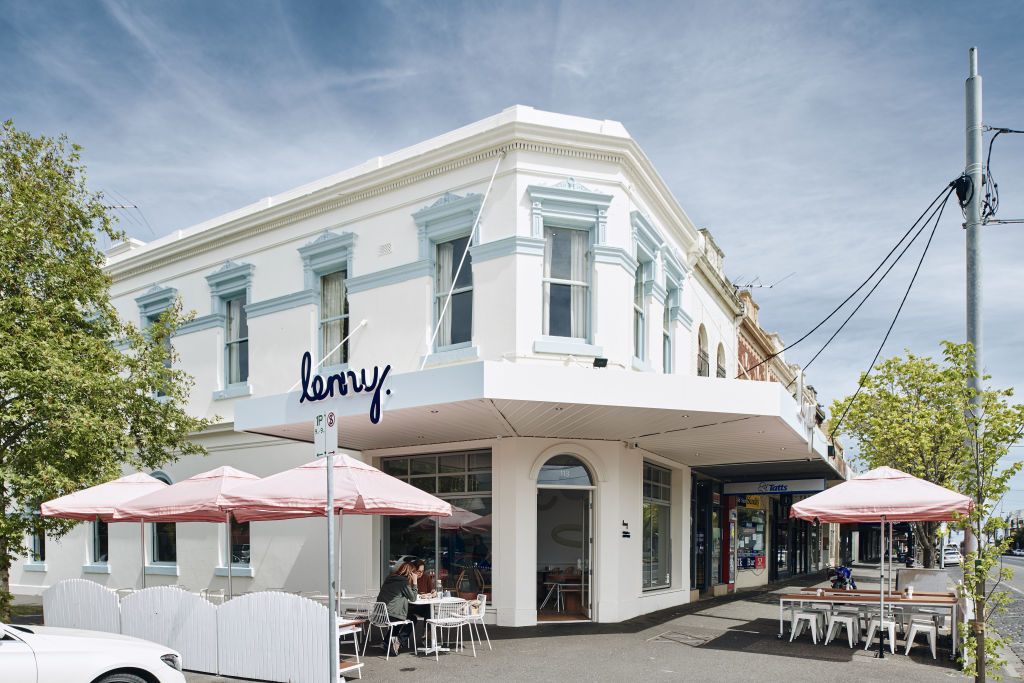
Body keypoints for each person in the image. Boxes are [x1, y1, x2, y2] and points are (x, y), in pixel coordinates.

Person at [376, 561, 418, 654]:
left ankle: (386, 643)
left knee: (399, 618)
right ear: (410, 573)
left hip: (380, 613)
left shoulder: (389, 578)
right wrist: (415, 582)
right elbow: (413, 598)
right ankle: (398, 641)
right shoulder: (404, 582)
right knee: (413, 619)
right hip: (391, 615)